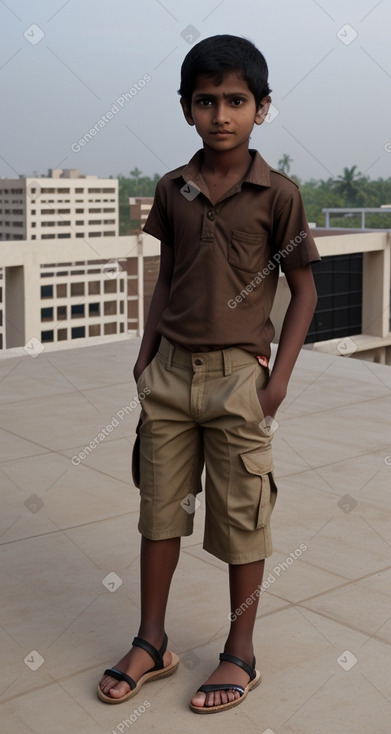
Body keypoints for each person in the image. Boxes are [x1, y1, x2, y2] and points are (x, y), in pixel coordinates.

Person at [98, 33, 320, 714]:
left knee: (241, 518)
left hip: (237, 381)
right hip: (168, 374)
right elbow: (168, 276)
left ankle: (239, 652)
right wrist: (144, 353)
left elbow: (303, 289)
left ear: (260, 108)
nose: (219, 114)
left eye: (235, 100)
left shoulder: (277, 195)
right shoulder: (173, 189)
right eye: (205, 101)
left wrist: (276, 380)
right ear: (186, 108)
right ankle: (152, 640)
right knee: (158, 513)